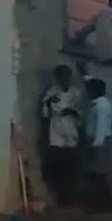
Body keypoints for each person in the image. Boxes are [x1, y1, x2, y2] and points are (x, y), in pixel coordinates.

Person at [40, 64, 82, 206]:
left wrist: (73, 112)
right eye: (60, 76)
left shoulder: (76, 94)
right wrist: (48, 105)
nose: (63, 79)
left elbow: (82, 113)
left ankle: (71, 200)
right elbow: (44, 114)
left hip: (72, 133)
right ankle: (58, 199)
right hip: (56, 133)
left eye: (66, 76)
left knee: (71, 169)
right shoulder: (52, 93)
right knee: (56, 168)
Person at [82, 76, 112, 208]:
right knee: (97, 172)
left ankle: (102, 202)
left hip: (98, 142)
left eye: (89, 89)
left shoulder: (100, 106)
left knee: (97, 173)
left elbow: (100, 127)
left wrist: (95, 145)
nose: (87, 92)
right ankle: (102, 201)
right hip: (98, 141)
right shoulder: (100, 103)